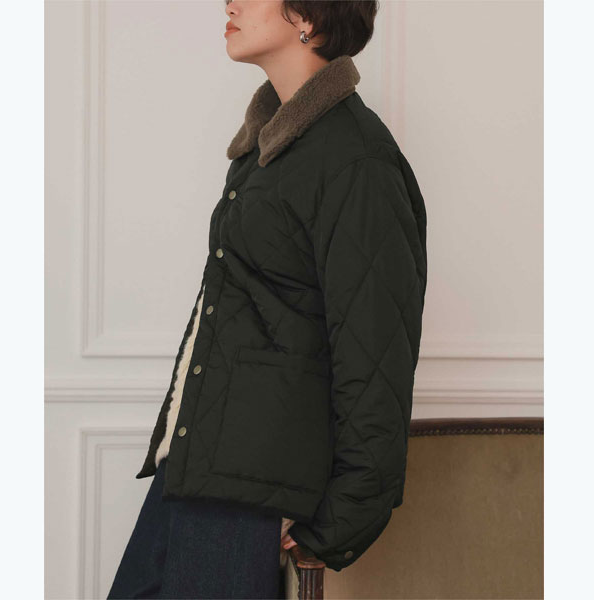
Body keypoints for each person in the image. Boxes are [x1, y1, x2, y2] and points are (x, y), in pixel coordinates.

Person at [108, 1, 428, 598]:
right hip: (198, 466)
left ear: (307, 15)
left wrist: (342, 519)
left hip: (249, 492)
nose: (229, 3)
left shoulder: (356, 160)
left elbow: (376, 354)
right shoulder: (269, 146)